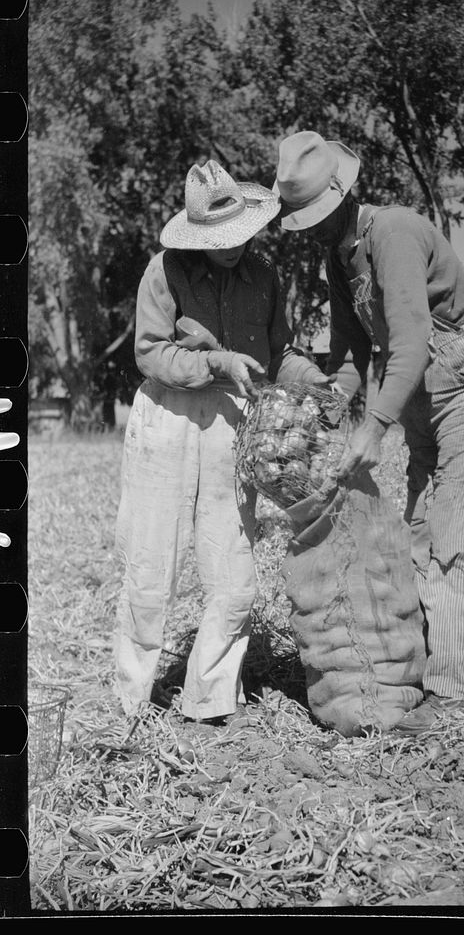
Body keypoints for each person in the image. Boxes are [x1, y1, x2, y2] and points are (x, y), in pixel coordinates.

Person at [273, 131, 464, 735]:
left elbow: (407, 340)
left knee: (458, 535)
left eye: (318, 218)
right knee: (413, 532)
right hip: (417, 395)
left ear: (343, 194)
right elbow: (357, 354)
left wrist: (374, 428)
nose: (312, 231)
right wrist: (335, 409)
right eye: (303, 223)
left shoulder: (396, 233)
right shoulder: (339, 256)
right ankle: (417, 670)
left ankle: (458, 700)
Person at [114, 159, 329, 726]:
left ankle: (207, 699)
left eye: (239, 235)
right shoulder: (164, 271)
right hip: (168, 416)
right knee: (151, 565)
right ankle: (129, 698)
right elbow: (150, 353)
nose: (232, 247)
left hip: (233, 425)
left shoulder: (264, 277)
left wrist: (316, 381)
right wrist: (217, 360)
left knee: (233, 571)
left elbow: (279, 354)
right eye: (218, 239)